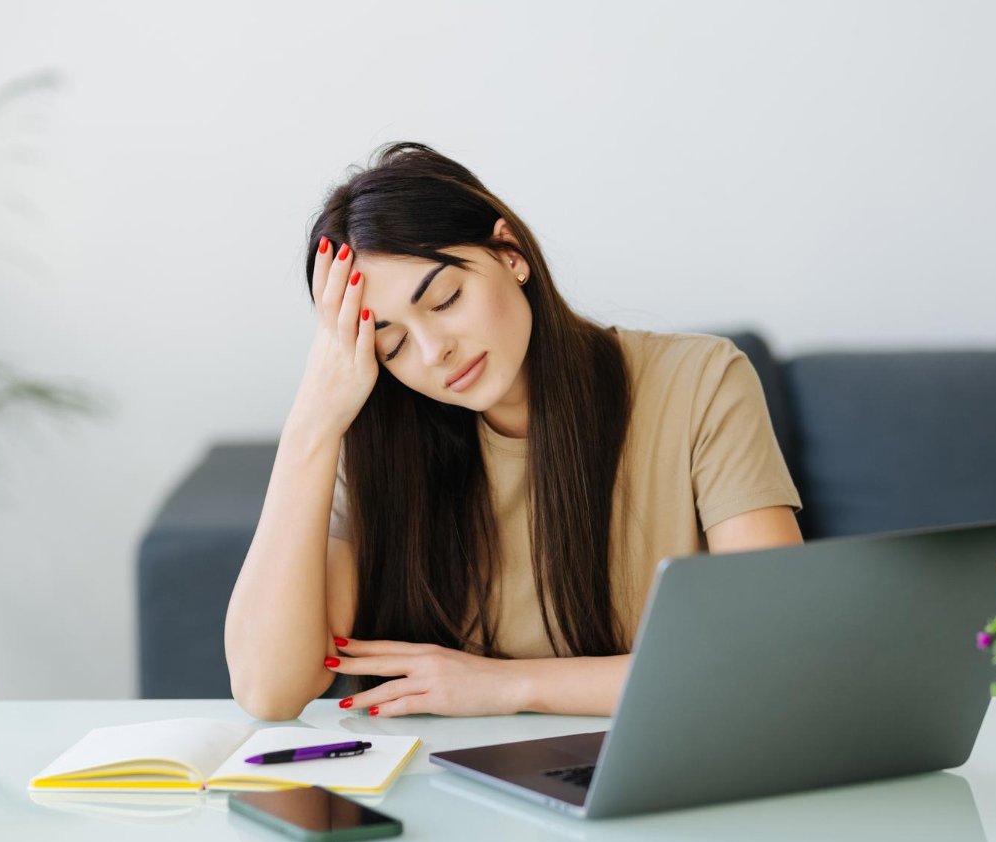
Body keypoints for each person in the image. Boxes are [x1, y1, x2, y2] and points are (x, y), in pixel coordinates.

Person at [225, 142, 803, 722]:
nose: (434, 351)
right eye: (392, 343)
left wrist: (507, 686)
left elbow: (773, 652)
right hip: (439, 784)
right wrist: (311, 425)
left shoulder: (700, 382)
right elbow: (269, 690)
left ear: (510, 252)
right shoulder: (381, 442)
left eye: (446, 299)